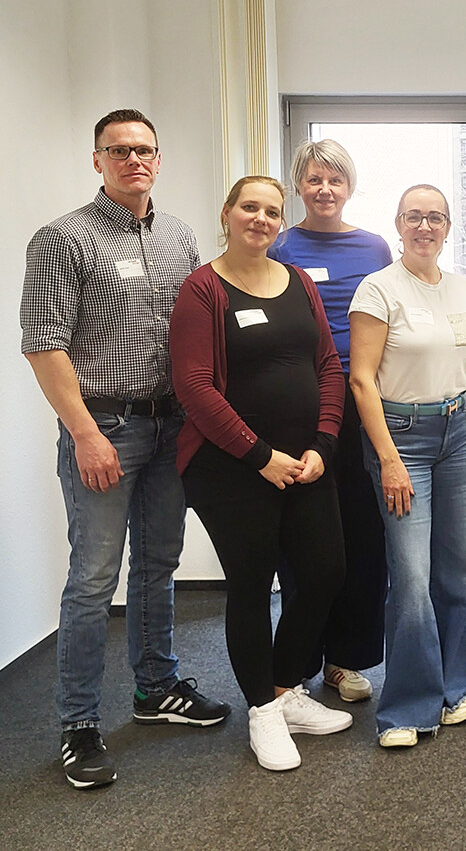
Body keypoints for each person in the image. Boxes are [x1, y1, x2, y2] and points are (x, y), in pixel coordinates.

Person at [20, 108, 230, 789]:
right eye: (119, 150)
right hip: (104, 428)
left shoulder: (178, 235)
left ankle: (155, 689)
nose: (133, 160)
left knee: (158, 565)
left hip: (172, 425)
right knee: (93, 578)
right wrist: (83, 433)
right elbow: (43, 344)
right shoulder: (61, 239)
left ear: (159, 159)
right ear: (97, 160)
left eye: (144, 150)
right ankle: (78, 724)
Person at [171, 176, 353, 772]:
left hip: (305, 463)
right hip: (232, 469)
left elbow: (327, 363)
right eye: (250, 208)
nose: (262, 219)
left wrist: (324, 442)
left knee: (325, 572)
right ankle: (261, 711)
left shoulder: (297, 281)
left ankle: (283, 689)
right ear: (226, 214)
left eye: (272, 212)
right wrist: (259, 456)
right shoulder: (202, 289)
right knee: (252, 585)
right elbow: (195, 387)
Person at [349, 184, 466, 748]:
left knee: (455, 572)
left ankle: (456, 687)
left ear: (448, 227)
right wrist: (389, 461)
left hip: (458, 432)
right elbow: (361, 380)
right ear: (398, 224)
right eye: (414, 217)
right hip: (401, 438)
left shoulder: (462, 288)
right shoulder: (377, 289)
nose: (425, 226)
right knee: (409, 577)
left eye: (435, 217)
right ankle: (405, 708)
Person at [269, 139, 391, 702]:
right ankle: (298, 663)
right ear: (299, 185)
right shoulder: (277, 242)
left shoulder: (374, 247)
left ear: (350, 187)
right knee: (305, 540)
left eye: (335, 181)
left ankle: (346, 661)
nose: (324, 190)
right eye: (314, 180)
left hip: (364, 403)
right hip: (300, 406)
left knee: (364, 537)